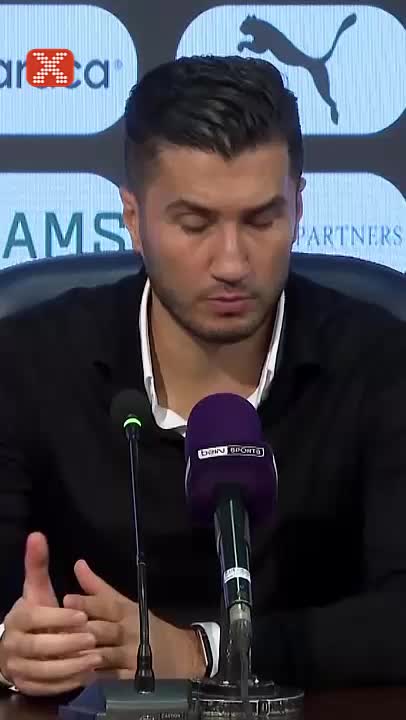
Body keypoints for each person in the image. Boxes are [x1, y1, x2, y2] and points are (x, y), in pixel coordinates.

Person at [0, 55, 406, 698]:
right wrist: (11, 645)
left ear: (299, 205)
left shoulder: (381, 360)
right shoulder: (28, 359)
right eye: (194, 224)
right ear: (133, 218)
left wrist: (203, 651)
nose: (232, 263)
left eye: (262, 219)